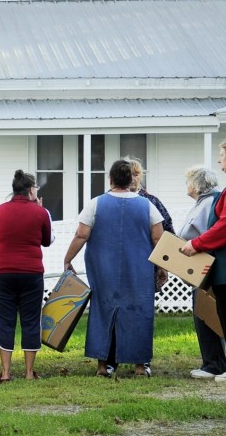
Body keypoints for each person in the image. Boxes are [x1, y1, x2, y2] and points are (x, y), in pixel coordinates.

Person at [64, 159, 165, 378]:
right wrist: (161, 267)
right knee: (140, 312)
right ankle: (140, 366)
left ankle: (103, 366)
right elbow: (158, 238)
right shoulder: (148, 206)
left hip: (103, 269)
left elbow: (82, 234)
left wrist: (68, 259)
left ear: (110, 179)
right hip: (138, 269)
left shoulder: (95, 204)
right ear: (131, 180)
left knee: (103, 311)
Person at [0, 170, 52, 382]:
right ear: (31, 190)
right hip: (31, 272)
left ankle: (5, 373)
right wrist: (40, 210)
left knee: (5, 321)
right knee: (31, 320)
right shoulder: (40, 213)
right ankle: (29, 373)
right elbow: (47, 240)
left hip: (2, 272)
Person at [181, 141, 226, 383]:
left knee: (211, 313)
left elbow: (217, 228)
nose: (220, 160)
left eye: (222, 155)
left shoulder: (212, 200)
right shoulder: (208, 200)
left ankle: (215, 364)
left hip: (208, 265)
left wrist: (194, 245)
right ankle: (213, 363)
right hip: (205, 265)